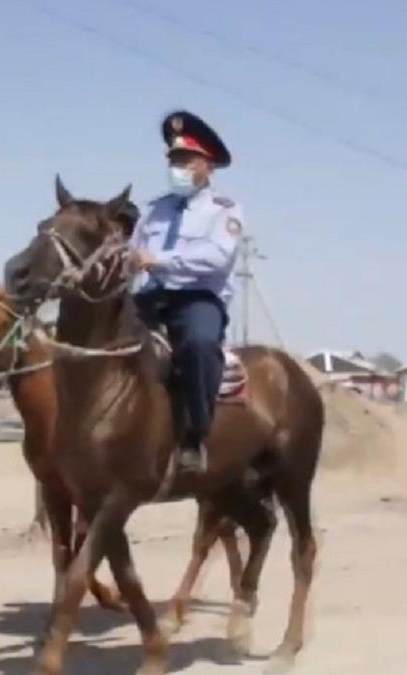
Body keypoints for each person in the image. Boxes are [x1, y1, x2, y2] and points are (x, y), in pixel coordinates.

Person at [129, 109, 243, 473]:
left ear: (208, 166)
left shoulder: (223, 211)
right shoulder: (155, 210)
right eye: (174, 160)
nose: (178, 167)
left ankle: (195, 436)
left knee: (196, 344)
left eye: (187, 160)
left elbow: (215, 258)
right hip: (150, 298)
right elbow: (133, 255)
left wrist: (156, 259)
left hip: (197, 299)